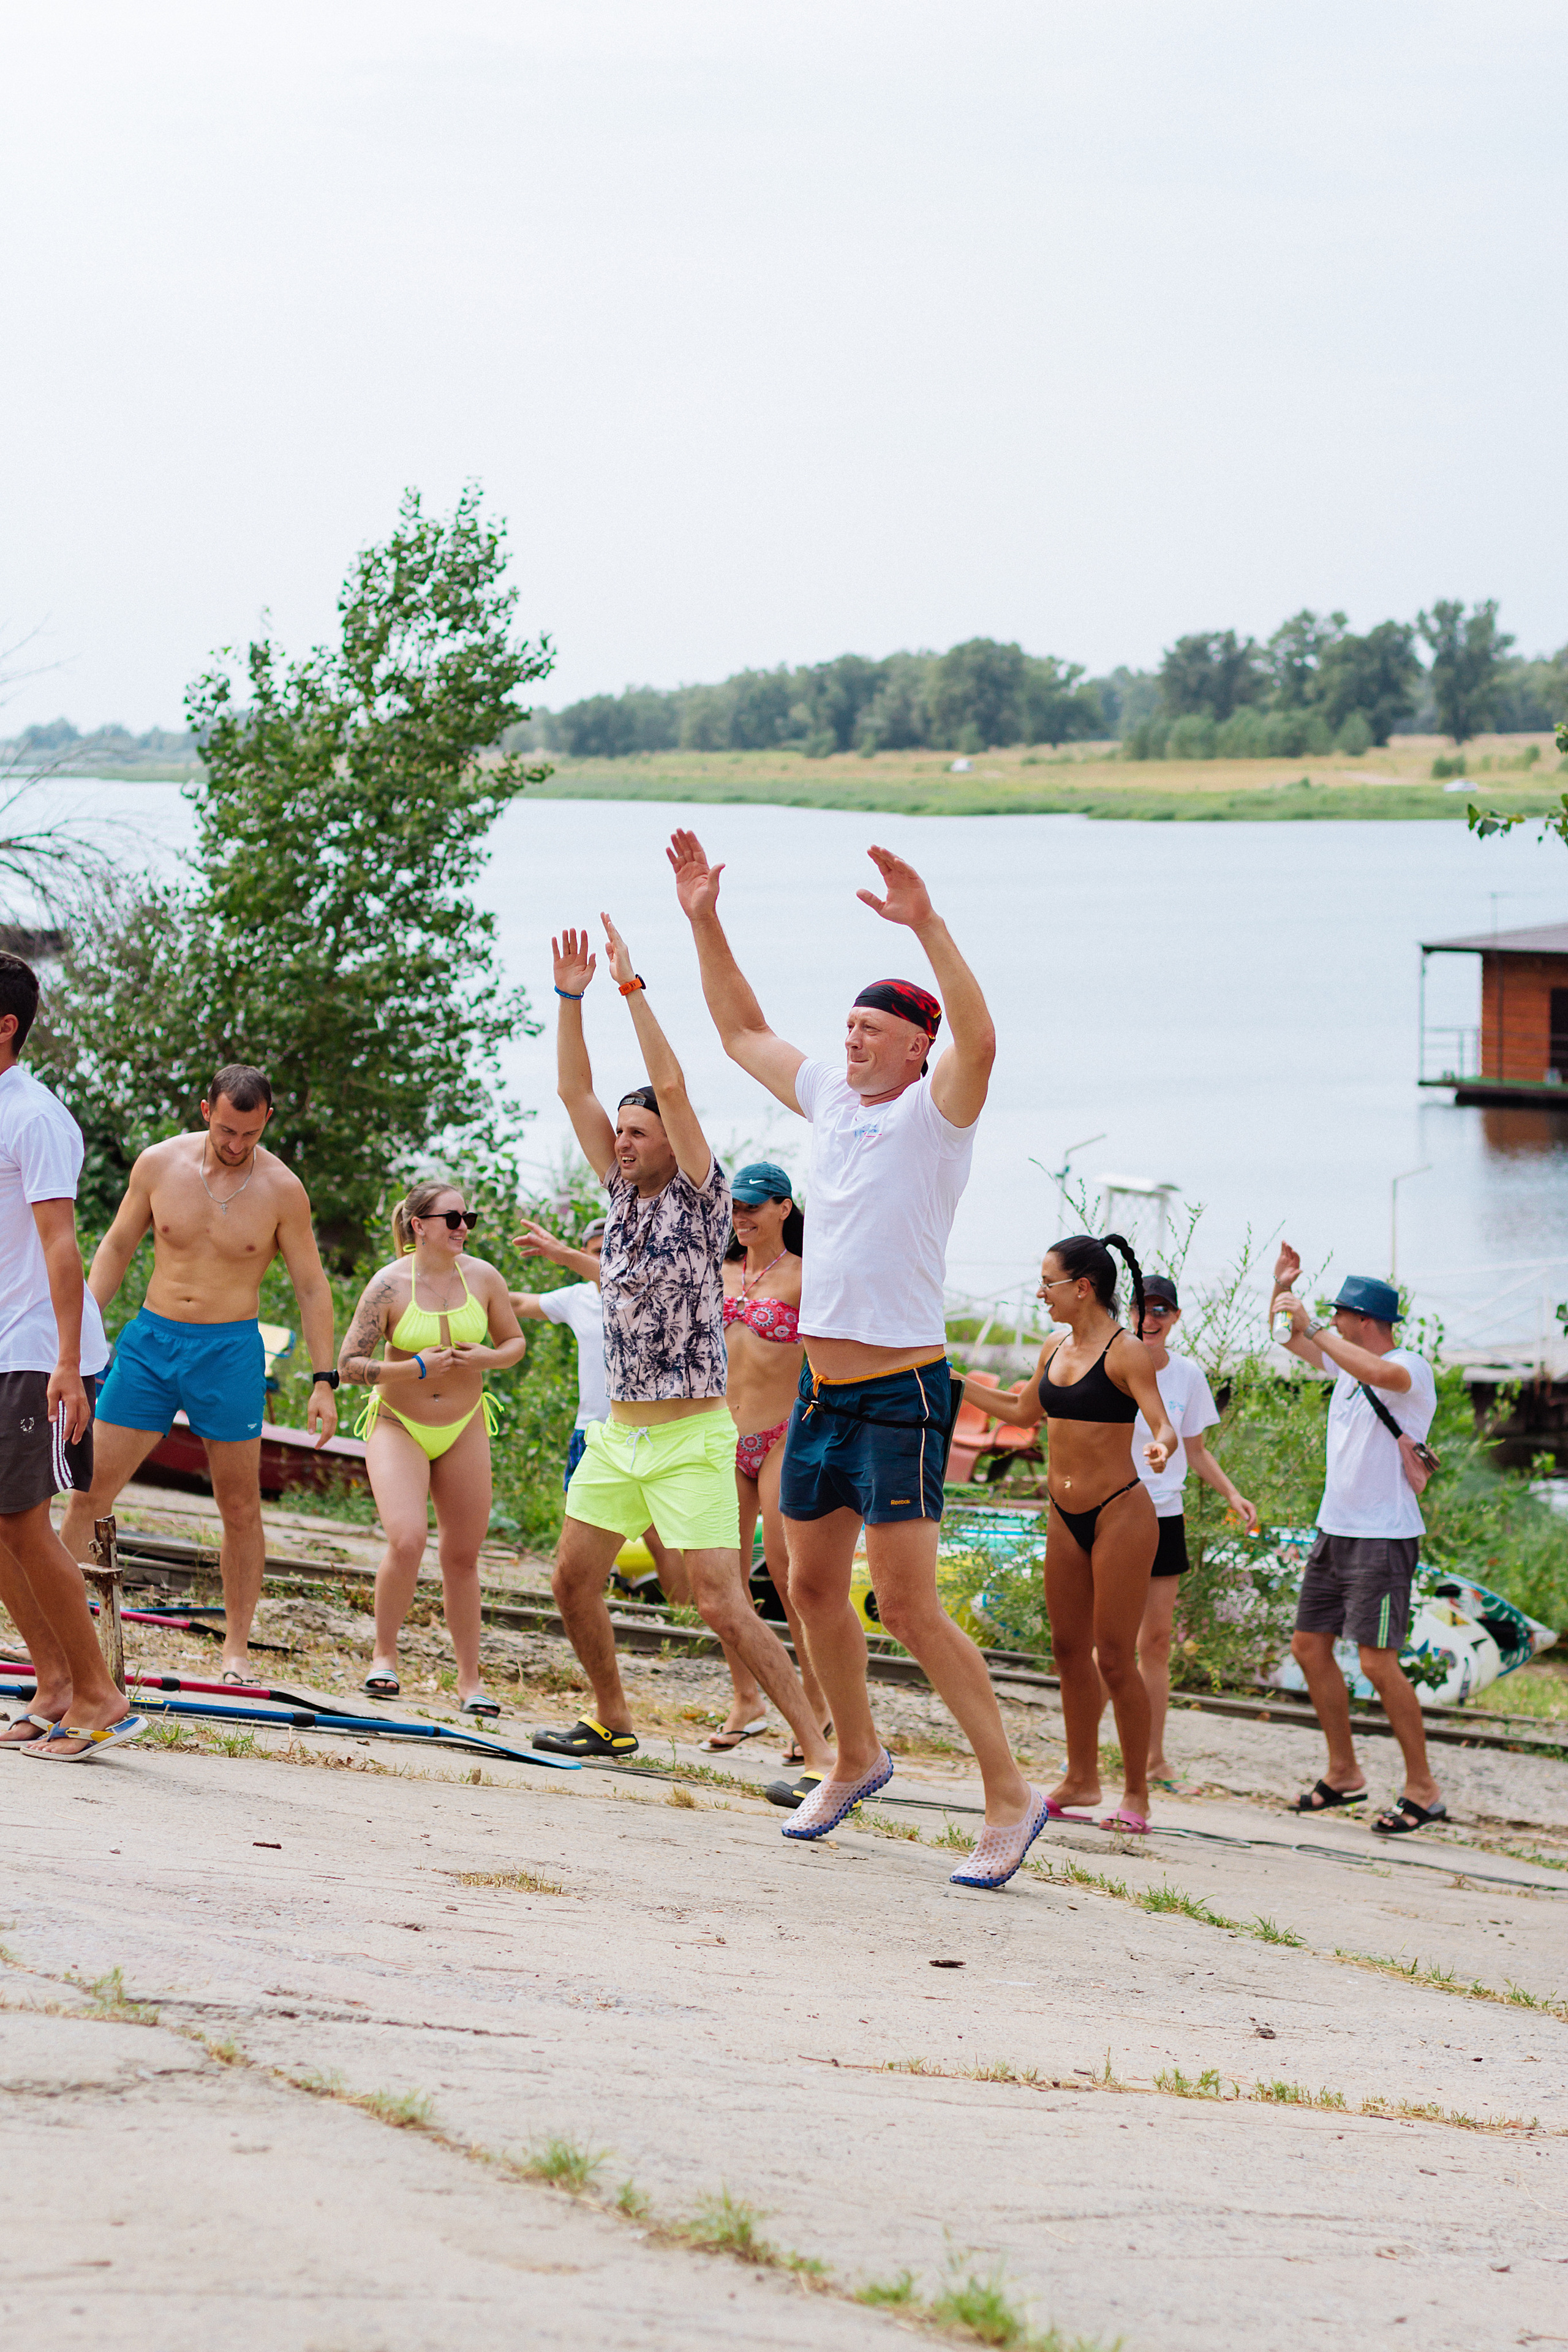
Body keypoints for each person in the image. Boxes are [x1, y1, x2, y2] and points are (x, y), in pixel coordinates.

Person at [670, 827, 1045, 1889]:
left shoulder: (939, 1112)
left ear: (916, 1047)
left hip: (902, 1392)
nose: (852, 1043)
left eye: (873, 1030)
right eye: (847, 1027)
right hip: (823, 1394)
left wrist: (926, 924)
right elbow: (741, 1027)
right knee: (814, 1589)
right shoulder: (831, 1103)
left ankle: (1010, 1800)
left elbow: (982, 1036)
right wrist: (705, 917)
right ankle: (856, 1755)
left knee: (911, 1607)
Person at [530, 914, 834, 1777]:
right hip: (617, 1436)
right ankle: (612, 1718)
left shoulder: (703, 1200)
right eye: (619, 1135)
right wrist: (570, 1000)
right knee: (569, 1580)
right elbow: (572, 1094)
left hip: (692, 1435)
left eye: (637, 1133)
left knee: (722, 1604)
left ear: (671, 1139)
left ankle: (821, 1754)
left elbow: (672, 1079)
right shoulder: (618, 1195)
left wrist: (630, 990)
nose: (620, 1144)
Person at [61, 1066, 339, 1682]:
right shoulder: (160, 1164)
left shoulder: (283, 1189)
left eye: (248, 1132)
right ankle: (52, 1631)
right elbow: (114, 1247)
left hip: (230, 1351)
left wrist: (325, 1380)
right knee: (89, 1490)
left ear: (267, 1118)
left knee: (239, 1506)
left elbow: (312, 1286)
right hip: (151, 1343)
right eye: (224, 1129)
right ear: (205, 1109)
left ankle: (235, 1650)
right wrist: (75, 1336)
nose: (235, 1144)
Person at [964, 1234, 1177, 1836]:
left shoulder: (1125, 1351)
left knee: (1113, 1657)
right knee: (1065, 1651)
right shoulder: (1053, 1347)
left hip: (1120, 1514)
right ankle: (1081, 1778)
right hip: (1062, 1513)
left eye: (1048, 1282)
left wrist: (1160, 1445)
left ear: (1082, 1287)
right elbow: (1021, 1412)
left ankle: (1136, 1794)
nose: (1039, 1293)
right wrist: (952, 1382)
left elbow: (1160, 1422)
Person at [0, 952, 144, 1760]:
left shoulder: (34, 1115)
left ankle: (102, 1698)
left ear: (6, 1025)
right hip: (5, 1345)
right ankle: (54, 1685)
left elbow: (62, 1247)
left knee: (24, 1522)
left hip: (39, 1346)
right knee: (1, 1526)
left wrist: (65, 1362)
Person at [1270, 1252, 1444, 1834]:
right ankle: (1344, 1772)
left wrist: (1313, 1325)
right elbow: (1286, 1335)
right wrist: (1282, 1288)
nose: (1332, 1323)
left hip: (1384, 1538)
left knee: (1376, 1661)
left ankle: (1423, 1788)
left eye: (1340, 1314)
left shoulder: (1408, 1366)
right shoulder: (1346, 1365)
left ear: (1362, 1318)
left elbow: (1375, 1373)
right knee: (1309, 1648)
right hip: (1335, 1529)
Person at [337, 1184, 527, 1713]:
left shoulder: (485, 1277)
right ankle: (384, 1658)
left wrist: (484, 1359)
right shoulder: (388, 1285)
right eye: (451, 1218)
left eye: (467, 1217)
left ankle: (471, 1682)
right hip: (399, 1422)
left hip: (464, 1423)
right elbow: (350, 1365)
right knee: (408, 1539)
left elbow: (514, 1344)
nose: (463, 1226)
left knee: (463, 1555)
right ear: (419, 1225)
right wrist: (415, 1367)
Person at [1105, 1272, 1256, 1792]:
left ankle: (1154, 1758)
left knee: (1157, 1641)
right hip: (1113, 1511)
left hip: (1164, 1512)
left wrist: (1233, 1494)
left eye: (1161, 1311)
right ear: (1129, 1313)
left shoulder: (1188, 1375)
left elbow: (1196, 1451)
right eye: (1143, 1310)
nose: (1151, 1320)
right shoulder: (1110, 1361)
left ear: (1174, 1319)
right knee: (1105, 1641)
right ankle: (1090, 1752)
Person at [706, 1161, 832, 1756]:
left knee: (788, 1576)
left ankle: (816, 1700)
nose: (741, 1217)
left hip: (783, 1433)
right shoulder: (720, 1271)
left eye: (753, 1206)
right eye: (735, 1207)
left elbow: (833, 1357)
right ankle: (746, 1700)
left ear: (784, 1208)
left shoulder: (807, 1278)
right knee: (723, 1577)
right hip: (721, 1436)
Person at [508, 1215, 682, 1600]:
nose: (604, 1260)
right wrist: (464, 1290)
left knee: (659, 1533)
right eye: (594, 1252)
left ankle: (687, 1623)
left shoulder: (646, 1292)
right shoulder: (578, 1297)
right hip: (591, 1429)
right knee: (579, 1522)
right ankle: (584, 1604)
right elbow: (518, 1302)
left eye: (612, 1250)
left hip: (645, 1432)